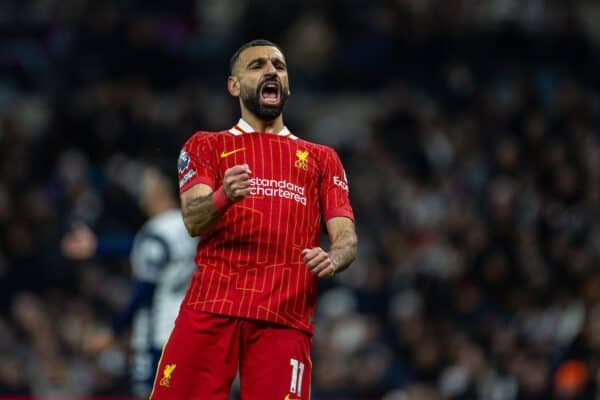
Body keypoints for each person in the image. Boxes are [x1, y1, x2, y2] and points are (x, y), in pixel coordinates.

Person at [150, 39, 358, 400]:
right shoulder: (206, 146)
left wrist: (334, 257)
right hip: (213, 308)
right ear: (234, 85)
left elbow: (346, 237)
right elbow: (193, 220)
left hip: (284, 318)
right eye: (257, 65)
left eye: (278, 66)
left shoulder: (322, 159)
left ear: (288, 84)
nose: (271, 71)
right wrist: (223, 196)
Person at [64, 167, 198, 398]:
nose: (141, 192)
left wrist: (113, 331)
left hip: (157, 336)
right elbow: (145, 246)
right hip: (190, 332)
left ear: (159, 190)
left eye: (146, 184)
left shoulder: (155, 232)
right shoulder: (190, 226)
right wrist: (98, 246)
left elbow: (144, 290)